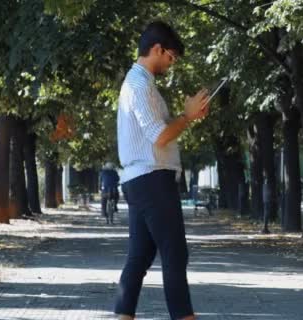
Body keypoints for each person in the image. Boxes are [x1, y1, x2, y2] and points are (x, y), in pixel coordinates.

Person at [114, 21, 209, 320]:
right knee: (174, 254)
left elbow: (159, 132)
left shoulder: (142, 84)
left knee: (140, 257)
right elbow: (160, 135)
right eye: (171, 57)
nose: (172, 64)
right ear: (157, 49)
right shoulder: (140, 85)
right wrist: (187, 116)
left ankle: (123, 315)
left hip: (144, 178)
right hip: (151, 178)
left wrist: (187, 116)